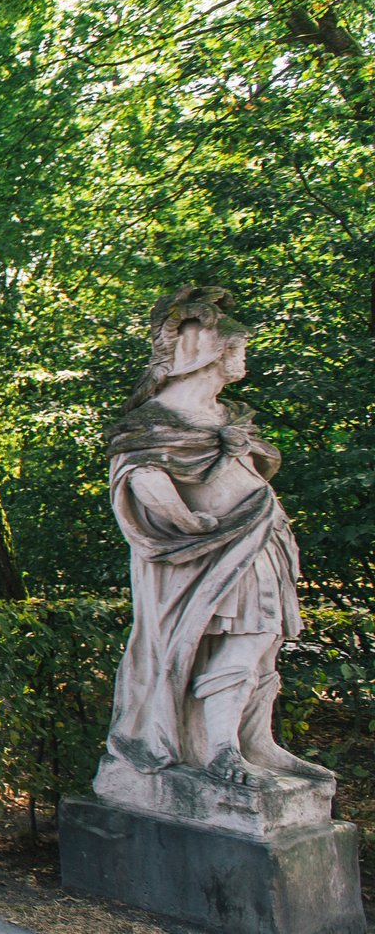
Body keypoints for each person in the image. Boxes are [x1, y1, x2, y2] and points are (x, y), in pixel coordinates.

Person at [99, 287, 326, 791]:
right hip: (207, 553)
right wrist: (183, 518)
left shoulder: (225, 417)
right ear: (205, 350)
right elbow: (140, 475)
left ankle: (253, 741)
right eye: (235, 348)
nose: (241, 358)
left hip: (258, 540)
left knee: (264, 641)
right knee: (243, 637)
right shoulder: (153, 423)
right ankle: (220, 749)